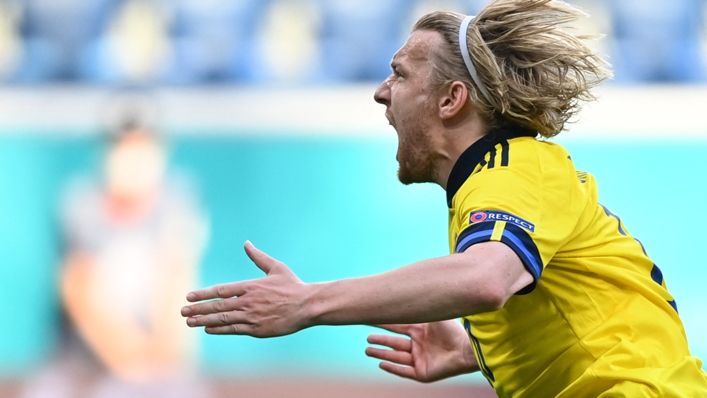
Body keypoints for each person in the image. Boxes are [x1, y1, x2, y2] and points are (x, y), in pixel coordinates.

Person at [180, 0, 707, 397]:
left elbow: (485, 279)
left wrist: (309, 303)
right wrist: (471, 349)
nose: (381, 91)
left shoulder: (513, 168)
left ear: (452, 100)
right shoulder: (493, 185)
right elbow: (580, 312)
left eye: (400, 74)